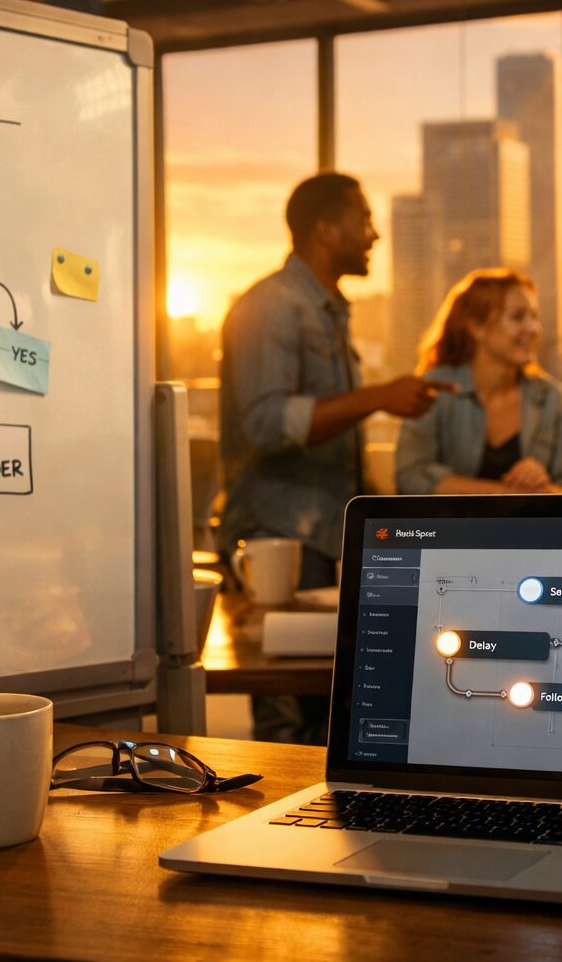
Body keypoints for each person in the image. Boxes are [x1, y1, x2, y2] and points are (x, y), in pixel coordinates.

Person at [219, 172, 454, 743]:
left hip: (323, 543)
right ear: (326, 229)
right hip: (279, 547)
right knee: (287, 725)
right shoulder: (272, 306)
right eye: (364, 220)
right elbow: (265, 423)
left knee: (328, 718)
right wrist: (378, 397)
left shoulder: (326, 310)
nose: (374, 234)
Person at [395, 269, 562, 496]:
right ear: (476, 327)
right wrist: (506, 493)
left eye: (534, 317)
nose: (533, 329)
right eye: (517, 317)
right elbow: (411, 477)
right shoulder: (434, 389)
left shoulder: (551, 396)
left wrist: (545, 488)